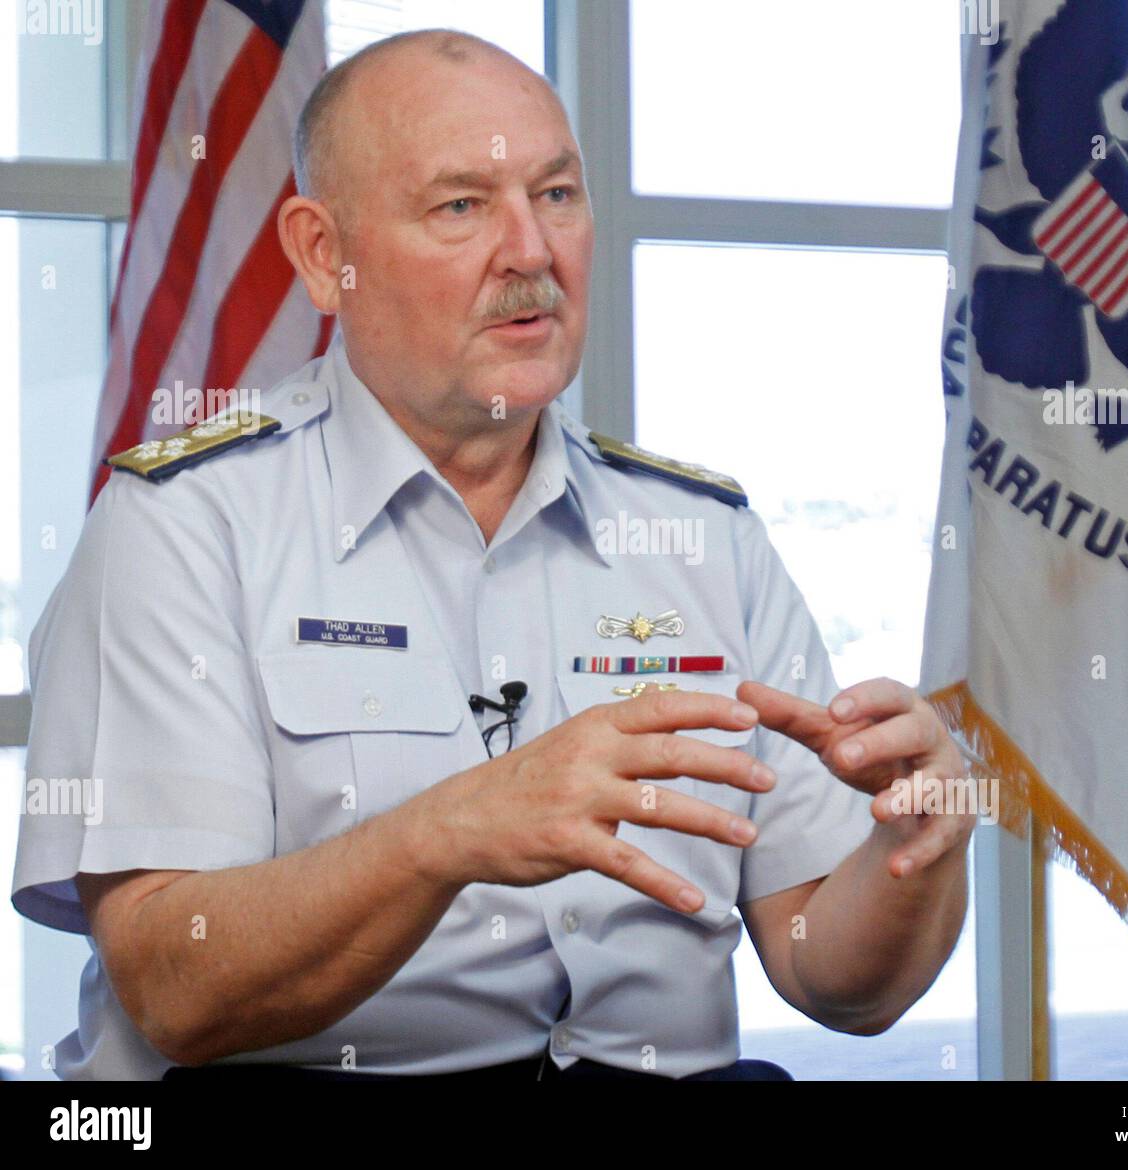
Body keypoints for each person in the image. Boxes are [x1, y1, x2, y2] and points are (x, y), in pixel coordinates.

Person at [10, 29, 974, 1081]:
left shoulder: (701, 533)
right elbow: (171, 985)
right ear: (322, 255)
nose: (529, 251)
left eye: (556, 195)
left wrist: (910, 849)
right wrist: (448, 832)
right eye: (460, 206)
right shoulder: (185, 526)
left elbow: (834, 978)